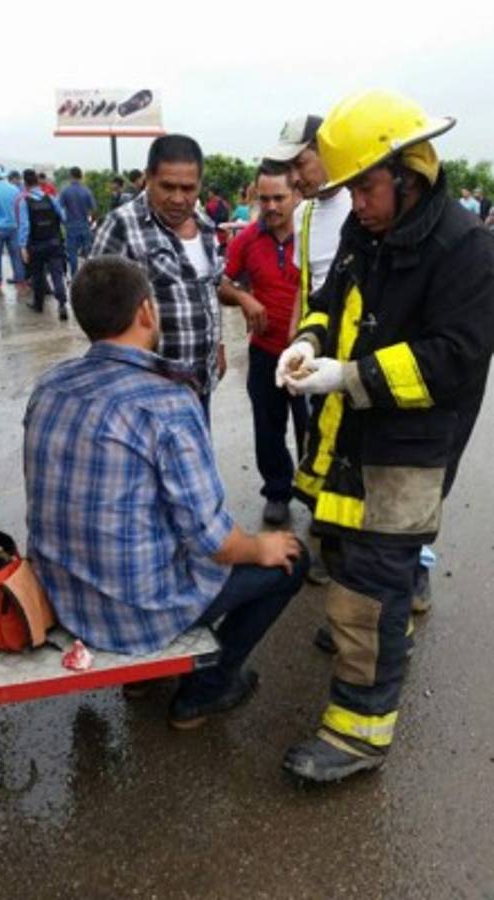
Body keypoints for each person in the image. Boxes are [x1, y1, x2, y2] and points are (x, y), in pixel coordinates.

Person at [276, 89, 494, 783]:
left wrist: (347, 375)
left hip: (407, 456)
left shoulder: (468, 251)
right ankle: (379, 627)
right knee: (344, 558)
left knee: (367, 593)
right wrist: (308, 344)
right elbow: (329, 301)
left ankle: (358, 736)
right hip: (347, 443)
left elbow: (453, 359)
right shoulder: (365, 233)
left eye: (365, 187)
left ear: (411, 170)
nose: (356, 204)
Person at [24, 255, 308, 728]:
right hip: (137, 611)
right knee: (292, 560)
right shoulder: (166, 401)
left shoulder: (50, 385)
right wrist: (262, 546)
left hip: (61, 597)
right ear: (146, 312)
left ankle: (143, 675)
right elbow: (216, 543)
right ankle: (206, 689)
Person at [266, 114, 351, 583]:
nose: (297, 178)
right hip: (317, 349)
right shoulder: (305, 213)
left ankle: (400, 566)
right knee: (316, 442)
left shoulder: (366, 205)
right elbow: (308, 288)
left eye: (302, 163)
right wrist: (295, 343)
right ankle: (327, 537)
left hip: (358, 355)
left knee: (360, 450)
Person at [92, 134, 225, 423]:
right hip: (146, 391)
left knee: (193, 461)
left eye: (188, 188)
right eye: (168, 186)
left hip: (199, 382)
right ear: (148, 178)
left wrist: (218, 347)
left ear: (200, 184)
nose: (178, 199)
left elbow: (209, 291)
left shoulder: (204, 226)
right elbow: (96, 311)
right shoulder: (120, 226)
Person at [220, 162, 305, 525]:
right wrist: (244, 298)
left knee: (314, 429)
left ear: (297, 194)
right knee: (268, 427)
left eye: (279, 198)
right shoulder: (247, 239)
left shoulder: (313, 234)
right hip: (265, 351)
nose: (271, 206)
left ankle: (317, 497)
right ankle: (277, 491)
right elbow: (221, 283)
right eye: (264, 198)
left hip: (308, 355)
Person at [18, 169, 69, 320]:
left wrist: (22, 247)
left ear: (26, 184)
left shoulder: (24, 202)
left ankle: (38, 305)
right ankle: (62, 304)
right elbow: (63, 217)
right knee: (57, 274)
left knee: (38, 275)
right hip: (54, 243)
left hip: (36, 245)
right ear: (38, 182)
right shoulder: (51, 198)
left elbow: (25, 226)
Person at [0, 164, 26, 292]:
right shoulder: (15, 189)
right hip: (13, 227)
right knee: (15, 255)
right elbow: (19, 208)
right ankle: (20, 280)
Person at [60, 166, 96, 275]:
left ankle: (74, 276)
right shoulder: (87, 191)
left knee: (72, 253)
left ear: (70, 176)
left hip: (71, 226)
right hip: (85, 225)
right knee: (88, 253)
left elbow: (60, 208)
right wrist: (90, 221)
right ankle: (90, 275)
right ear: (80, 176)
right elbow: (93, 208)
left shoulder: (65, 191)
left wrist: (64, 222)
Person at [205, 185, 230, 254]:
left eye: (209, 192)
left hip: (214, 236)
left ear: (212, 193)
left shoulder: (210, 205)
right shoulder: (226, 204)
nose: (208, 194)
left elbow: (207, 222)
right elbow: (228, 219)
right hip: (225, 236)